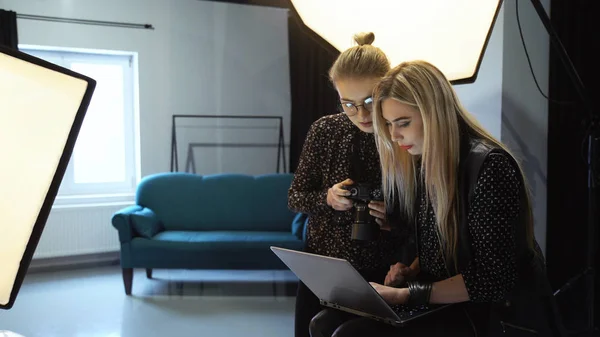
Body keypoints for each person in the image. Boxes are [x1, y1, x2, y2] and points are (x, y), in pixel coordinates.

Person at [309, 60, 566, 336]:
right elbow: (443, 245)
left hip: (487, 313)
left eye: (403, 123)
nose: (394, 136)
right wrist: (412, 271)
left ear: (434, 114)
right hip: (448, 303)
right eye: (388, 124)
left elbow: (492, 280)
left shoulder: (491, 166)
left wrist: (408, 294)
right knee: (324, 323)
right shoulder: (424, 162)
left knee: (350, 334)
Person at [288, 33, 408, 337]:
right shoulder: (324, 131)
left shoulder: (403, 133)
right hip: (323, 267)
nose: (362, 114)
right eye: (348, 104)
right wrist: (327, 198)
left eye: (370, 101)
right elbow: (295, 197)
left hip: (383, 273)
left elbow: (429, 216)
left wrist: (393, 219)